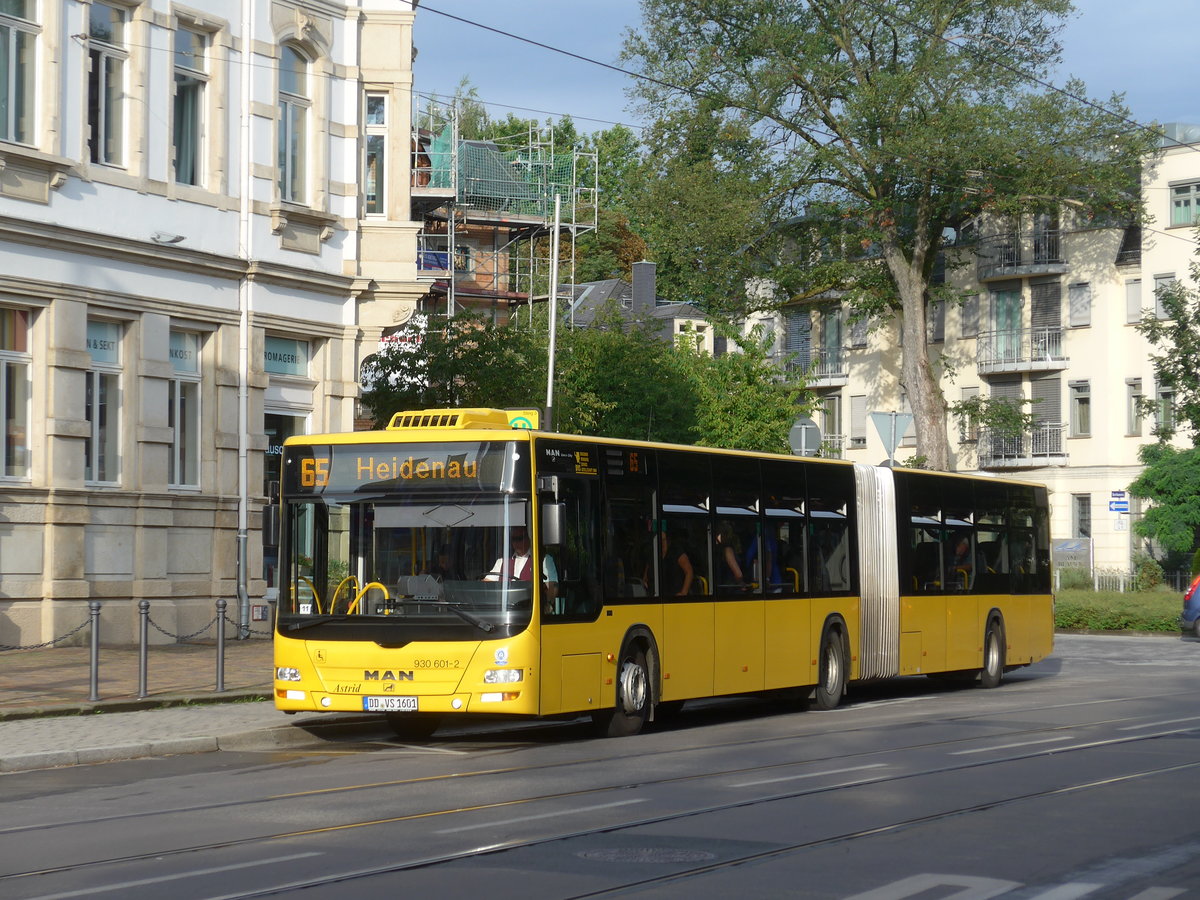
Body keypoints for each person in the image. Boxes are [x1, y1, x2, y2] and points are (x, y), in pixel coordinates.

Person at [484, 527, 558, 606]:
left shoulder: (543, 559)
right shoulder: (502, 561)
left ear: (528, 538)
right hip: (504, 610)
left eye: (519, 538)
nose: (516, 543)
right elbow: (486, 584)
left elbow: (553, 587)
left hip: (531, 611)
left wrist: (548, 604)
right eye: (513, 539)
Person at [655, 530, 693, 597]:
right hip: (660, 595)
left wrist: (683, 593)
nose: (662, 542)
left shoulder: (676, 552)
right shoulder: (655, 554)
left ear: (668, 539)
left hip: (676, 595)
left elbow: (689, 572)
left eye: (663, 540)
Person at [716, 521, 747, 591]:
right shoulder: (727, 550)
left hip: (724, 588)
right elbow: (738, 575)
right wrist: (742, 584)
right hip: (731, 588)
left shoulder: (719, 549)